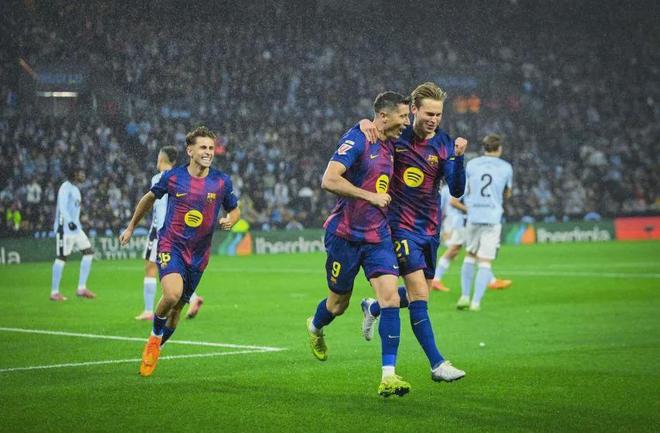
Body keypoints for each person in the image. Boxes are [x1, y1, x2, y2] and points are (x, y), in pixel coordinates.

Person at [305, 91, 413, 397]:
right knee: (338, 305)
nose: (407, 122)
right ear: (384, 116)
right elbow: (329, 180)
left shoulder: (392, 140)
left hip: (378, 236)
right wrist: (370, 197)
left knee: (390, 298)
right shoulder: (358, 140)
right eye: (403, 116)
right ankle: (315, 326)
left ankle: (388, 375)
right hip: (345, 236)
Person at [358, 82, 466, 383]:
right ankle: (437, 364)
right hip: (399, 226)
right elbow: (374, 129)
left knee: (421, 294)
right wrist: (364, 123)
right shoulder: (398, 135)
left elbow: (457, 189)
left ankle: (374, 306)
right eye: (429, 113)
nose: (434, 119)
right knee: (419, 295)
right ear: (414, 110)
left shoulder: (444, 144)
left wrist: (459, 158)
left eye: (439, 114)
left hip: (429, 229)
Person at [120, 126, 240, 376]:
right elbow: (148, 199)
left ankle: (159, 345)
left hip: (199, 254)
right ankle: (154, 337)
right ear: (190, 151)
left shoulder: (221, 181)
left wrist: (231, 220)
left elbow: (235, 209)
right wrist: (131, 227)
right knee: (172, 295)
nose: (208, 152)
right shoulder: (173, 177)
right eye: (203, 147)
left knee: (177, 310)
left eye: (211, 148)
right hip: (171, 245)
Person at [135, 146, 204, 320]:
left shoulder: (158, 178)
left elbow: (153, 204)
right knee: (175, 269)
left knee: (151, 268)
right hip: (179, 230)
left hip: (161, 231)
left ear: (160, 159)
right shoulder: (181, 178)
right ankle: (192, 297)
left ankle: (149, 310)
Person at [457, 134, 513, 311]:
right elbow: (507, 192)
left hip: (473, 215)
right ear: (499, 148)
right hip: (492, 218)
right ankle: (475, 303)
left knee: (469, 255)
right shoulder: (506, 167)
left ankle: (464, 296)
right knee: (485, 261)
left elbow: (466, 188)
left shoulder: (472, 164)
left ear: (484, 148)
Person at [432, 183, 512, 292]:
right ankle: (492, 281)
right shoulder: (466, 185)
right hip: (463, 222)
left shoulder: (473, 185)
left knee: (458, 250)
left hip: (465, 222)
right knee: (465, 250)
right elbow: (453, 202)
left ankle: (436, 279)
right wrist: (471, 211)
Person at [50, 167, 96, 301]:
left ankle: (81, 288)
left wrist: (81, 220)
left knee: (88, 252)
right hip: (64, 229)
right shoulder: (65, 187)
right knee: (61, 257)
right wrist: (69, 222)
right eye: (81, 173)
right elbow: (62, 207)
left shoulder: (76, 189)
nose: (83, 176)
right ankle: (54, 292)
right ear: (75, 174)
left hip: (76, 229)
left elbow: (74, 208)